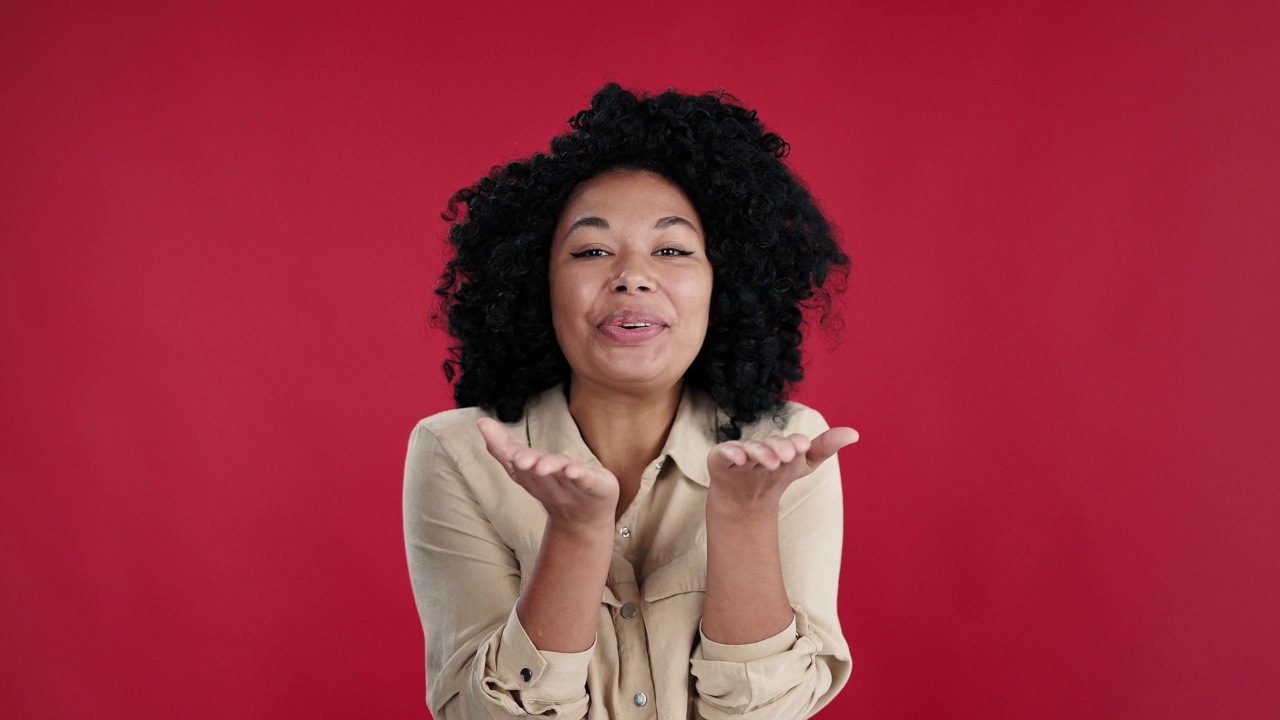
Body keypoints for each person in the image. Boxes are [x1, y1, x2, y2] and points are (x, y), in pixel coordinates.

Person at [404, 83, 856, 720]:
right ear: (537, 283)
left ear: (723, 285)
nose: (632, 275)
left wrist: (747, 519)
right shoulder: (456, 452)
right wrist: (574, 534)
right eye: (592, 251)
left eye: (671, 250)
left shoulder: (787, 448)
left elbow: (771, 714)